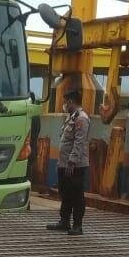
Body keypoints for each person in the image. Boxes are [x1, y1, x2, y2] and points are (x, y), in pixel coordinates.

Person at [47, 89, 89, 236]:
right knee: (65, 193)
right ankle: (64, 221)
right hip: (64, 164)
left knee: (76, 195)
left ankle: (77, 225)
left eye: (65, 101)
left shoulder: (81, 118)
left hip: (75, 165)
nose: (64, 104)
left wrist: (72, 162)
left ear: (71, 101)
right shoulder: (71, 117)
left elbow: (79, 142)